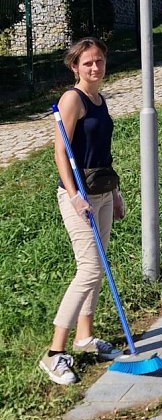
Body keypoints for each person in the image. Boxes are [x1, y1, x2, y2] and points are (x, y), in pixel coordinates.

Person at [39, 37, 125, 385]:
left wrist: (116, 193)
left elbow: (102, 153)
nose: (94, 67)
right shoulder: (72, 99)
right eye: (87, 62)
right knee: (89, 269)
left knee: (99, 266)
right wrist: (74, 196)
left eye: (99, 61)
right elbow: (61, 152)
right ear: (75, 66)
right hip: (79, 198)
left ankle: (85, 338)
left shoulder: (101, 99)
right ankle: (54, 353)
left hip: (102, 193)